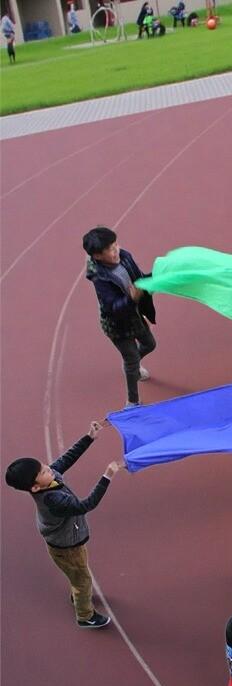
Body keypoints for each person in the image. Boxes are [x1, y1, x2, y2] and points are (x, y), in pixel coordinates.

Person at [5, 422, 123, 629]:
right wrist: (107, 477)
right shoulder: (54, 501)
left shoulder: (47, 479)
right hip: (67, 547)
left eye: (44, 465)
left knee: (78, 573)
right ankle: (85, 616)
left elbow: (67, 458)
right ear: (35, 487)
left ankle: (78, 593)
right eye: (43, 471)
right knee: (83, 579)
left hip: (66, 542)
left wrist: (89, 437)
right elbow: (86, 505)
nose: (49, 468)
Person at [83, 227, 157, 408]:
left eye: (116, 244)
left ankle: (132, 364)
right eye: (110, 249)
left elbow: (139, 278)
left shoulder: (125, 257)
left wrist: (156, 277)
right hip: (117, 325)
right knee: (131, 360)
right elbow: (112, 308)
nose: (116, 250)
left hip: (134, 316)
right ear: (98, 256)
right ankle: (132, 401)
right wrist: (131, 299)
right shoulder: (100, 279)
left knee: (150, 344)